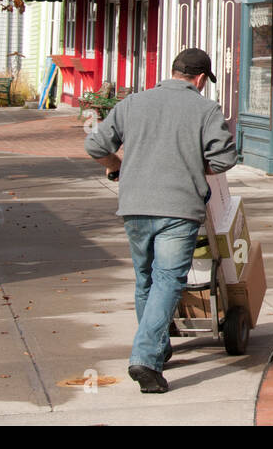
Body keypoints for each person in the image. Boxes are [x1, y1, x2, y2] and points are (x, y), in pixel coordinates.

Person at [85, 48, 237, 394]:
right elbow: (225, 159)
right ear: (200, 79)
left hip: (135, 205)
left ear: (172, 72)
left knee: (146, 279)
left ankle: (157, 349)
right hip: (179, 208)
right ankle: (145, 358)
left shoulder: (132, 104)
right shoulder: (205, 109)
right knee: (168, 280)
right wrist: (196, 169)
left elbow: (95, 145)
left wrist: (116, 166)